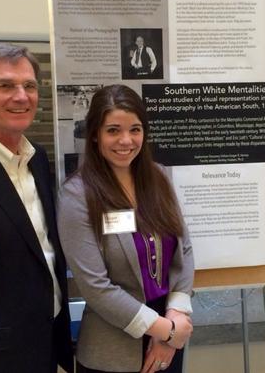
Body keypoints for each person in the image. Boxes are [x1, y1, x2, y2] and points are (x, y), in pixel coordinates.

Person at [57, 84, 194, 373]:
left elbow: (185, 250)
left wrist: (176, 315)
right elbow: (95, 286)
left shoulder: (158, 177)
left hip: (169, 336)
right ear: (95, 134)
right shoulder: (76, 195)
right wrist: (164, 330)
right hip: (112, 351)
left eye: (135, 129)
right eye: (113, 130)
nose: (126, 140)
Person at [0, 43, 74, 373]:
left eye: (29, 86)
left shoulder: (37, 159)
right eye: (5, 85)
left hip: (44, 343)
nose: (21, 96)